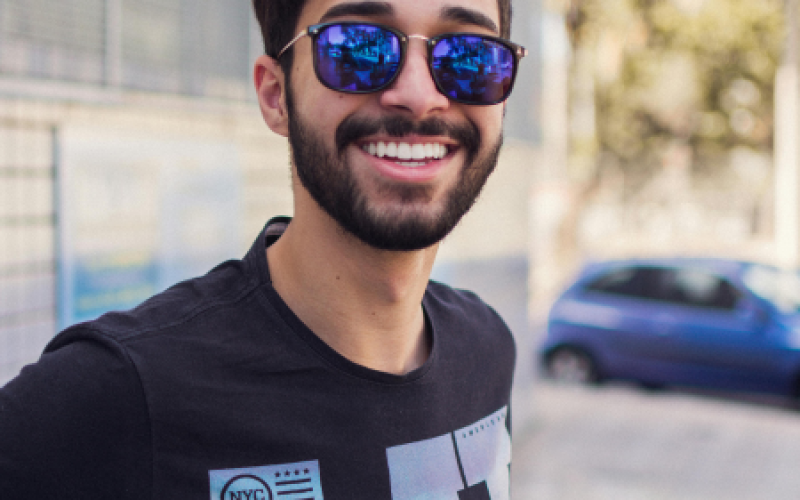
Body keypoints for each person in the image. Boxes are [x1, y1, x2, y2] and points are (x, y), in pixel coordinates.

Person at [0, 0, 526, 498]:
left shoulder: (486, 349)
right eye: (359, 47)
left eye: (470, 55)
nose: (418, 93)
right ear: (276, 95)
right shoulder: (119, 391)